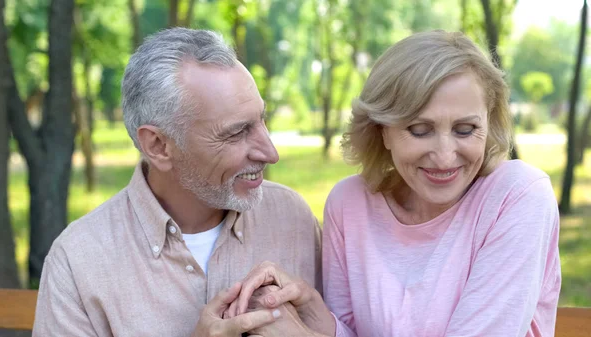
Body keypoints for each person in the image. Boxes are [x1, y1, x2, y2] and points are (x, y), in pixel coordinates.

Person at [228, 30, 561, 337]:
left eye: (465, 130)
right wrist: (310, 313)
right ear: (382, 129)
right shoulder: (349, 203)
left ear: (490, 122)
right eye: (420, 130)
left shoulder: (518, 195)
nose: (445, 157)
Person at [32, 28, 322, 337]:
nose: (270, 153)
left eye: (262, 120)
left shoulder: (293, 219)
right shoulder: (79, 262)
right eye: (236, 132)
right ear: (158, 145)